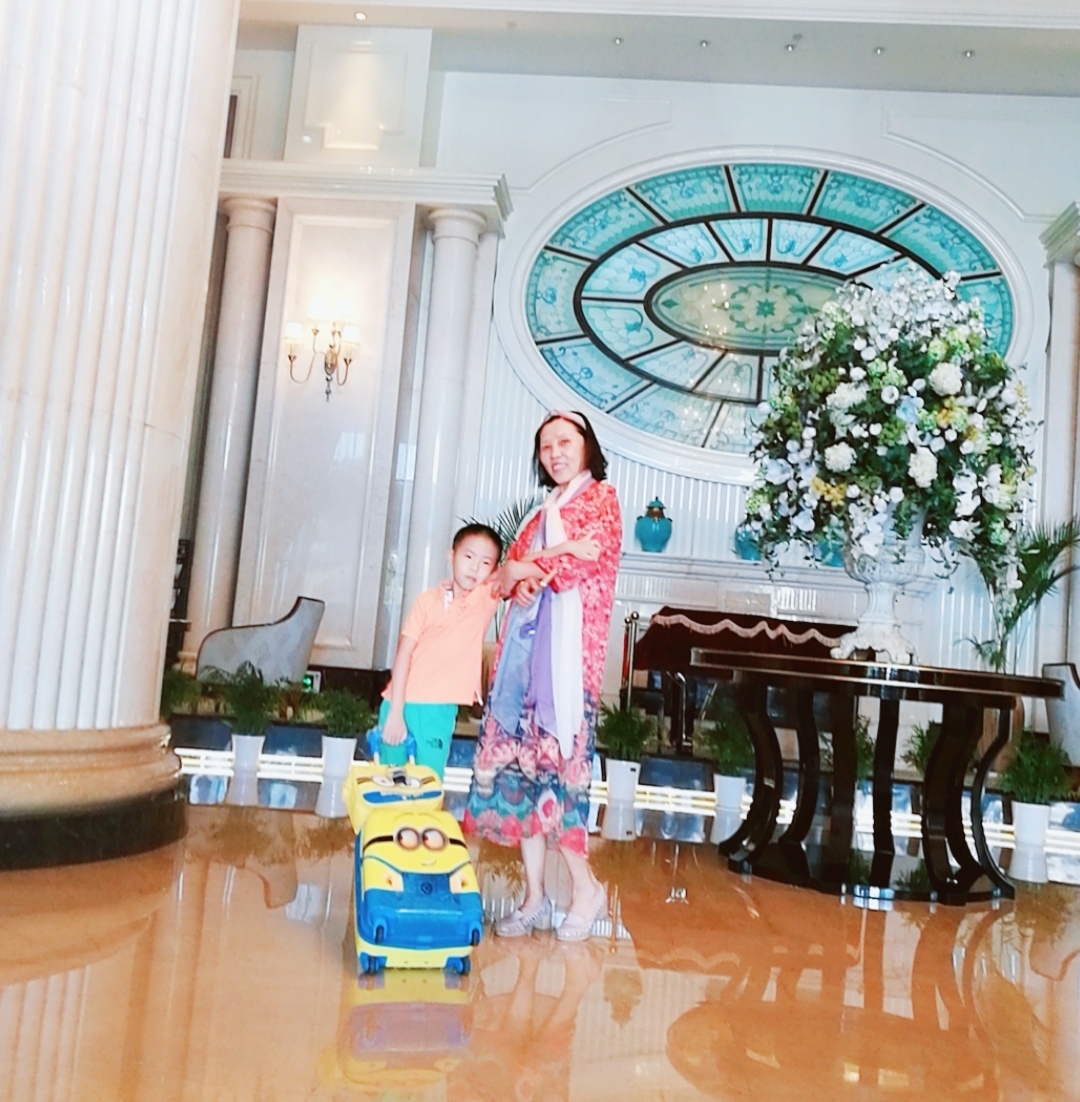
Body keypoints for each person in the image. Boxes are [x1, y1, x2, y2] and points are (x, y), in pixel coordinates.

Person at [464, 410, 622, 942]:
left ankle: (586, 888)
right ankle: (534, 896)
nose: (554, 453)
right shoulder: (540, 512)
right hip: (522, 667)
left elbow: (576, 567)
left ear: (586, 446)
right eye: (545, 446)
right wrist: (527, 571)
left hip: (566, 667)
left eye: (564, 442)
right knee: (522, 778)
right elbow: (507, 576)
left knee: (560, 777)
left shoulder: (601, 499)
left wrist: (530, 567)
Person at [378, 523, 502, 777]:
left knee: (428, 783)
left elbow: (517, 571)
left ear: (494, 570)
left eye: (485, 563)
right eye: (468, 557)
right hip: (398, 702)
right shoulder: (427, 601)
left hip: (438, 710)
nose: (474, 568)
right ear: (451, 556)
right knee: (390, 783)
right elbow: (404, 653)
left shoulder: (484, 599)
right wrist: (396, 711)